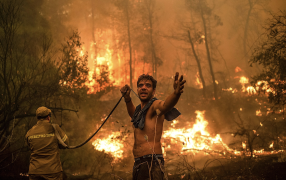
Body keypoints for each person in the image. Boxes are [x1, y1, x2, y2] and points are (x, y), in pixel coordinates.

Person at [120, 72, 186, 180]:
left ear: (154, 91)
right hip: (138, 163)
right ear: (137, 90)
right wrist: (127, 99)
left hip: (152, 162)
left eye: (148, 85)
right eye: (140, 85)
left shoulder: (154, 106)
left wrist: (176, 93)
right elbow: (133, 115)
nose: (144, 88)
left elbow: (165, 106)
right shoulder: (139, 112)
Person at [26, 106, 69, 180]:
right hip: (52, 172)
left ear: (37, 118)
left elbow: (30, 147)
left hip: (35, 172)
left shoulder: (29, 132)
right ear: (48, 117)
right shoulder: (55, 128)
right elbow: (66, 143)